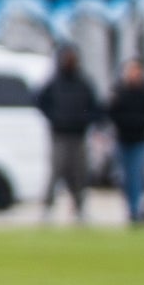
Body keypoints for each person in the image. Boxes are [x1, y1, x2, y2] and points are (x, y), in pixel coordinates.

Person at [37, 46, 102, 222]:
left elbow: (96, 107)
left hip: (78, 134)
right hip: (60, 134)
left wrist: (87, 120)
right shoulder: (54, 83)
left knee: (79, 173)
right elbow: (40, 101)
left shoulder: (83, 83)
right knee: (56, 170)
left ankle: (79, 208)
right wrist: (55, 118)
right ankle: (47, 208)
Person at [108, 58, 144, 222]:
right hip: (123, 139)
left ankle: (135, 210)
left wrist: (142, 125)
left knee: (136, 176)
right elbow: (111, 111)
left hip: (139, 139)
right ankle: (129, 207)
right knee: (124, 177)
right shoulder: (120, 92)